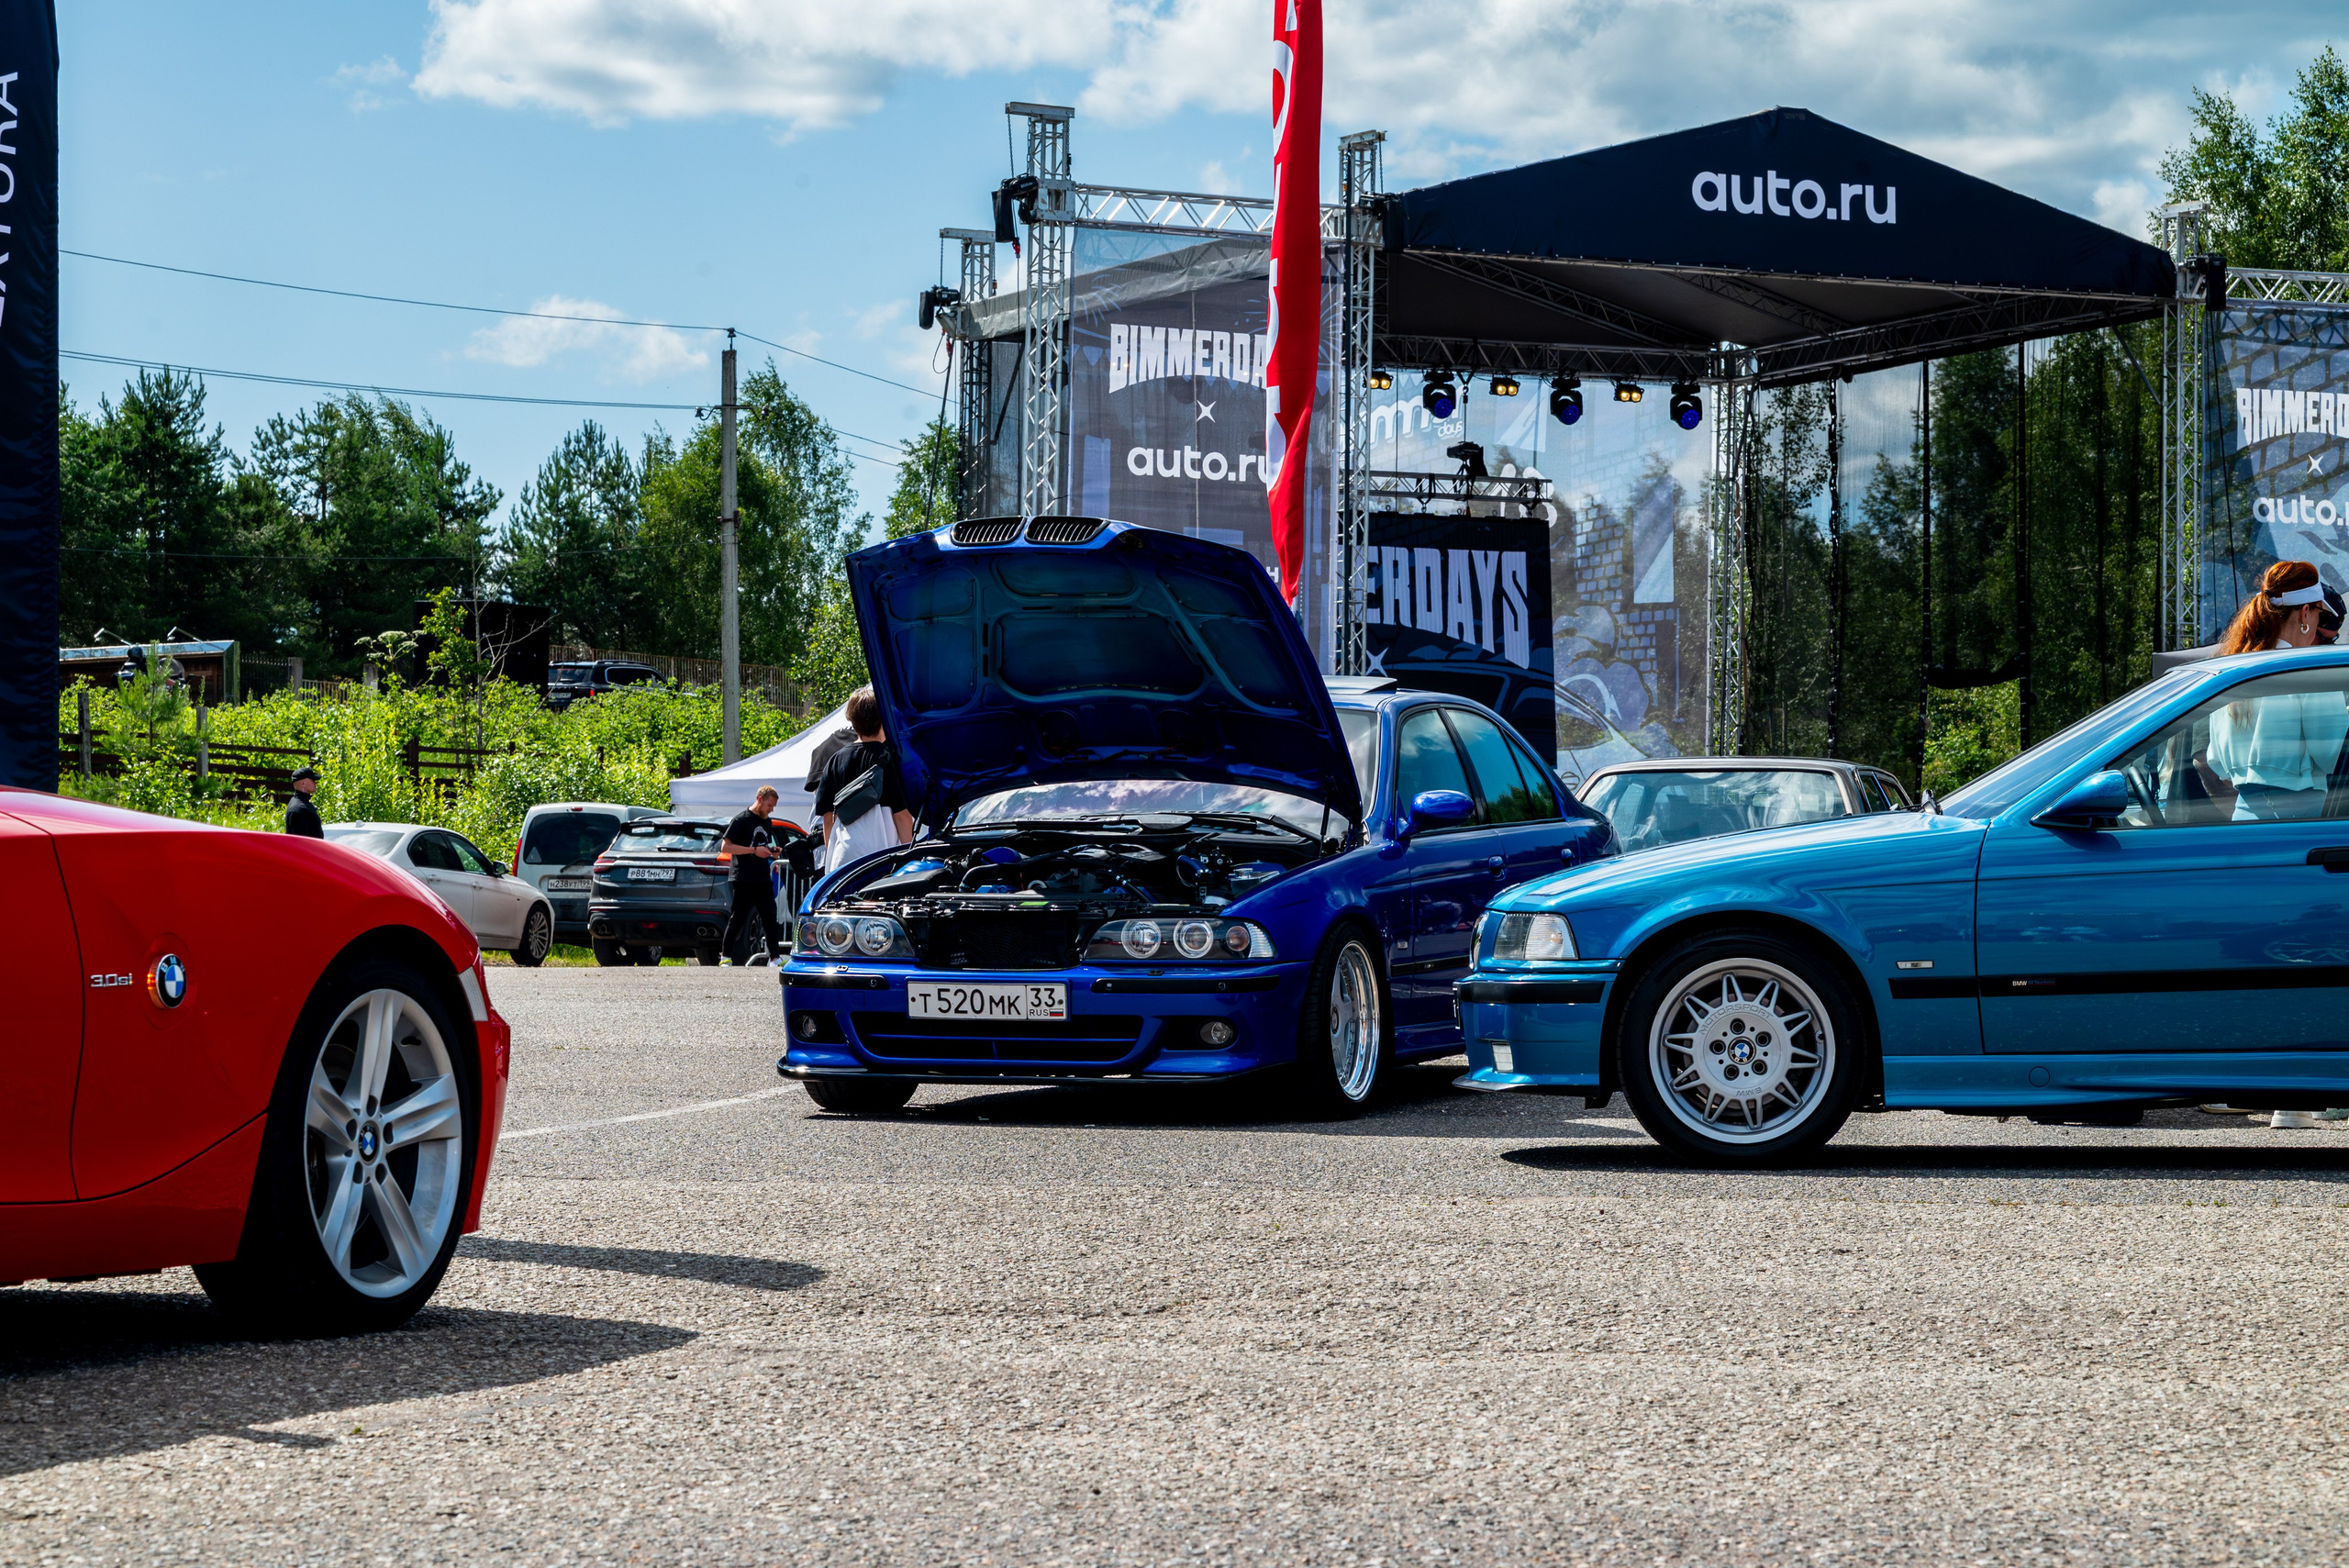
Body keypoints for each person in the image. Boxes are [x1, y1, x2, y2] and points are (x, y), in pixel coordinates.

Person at [812, 686, 912, 876]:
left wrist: (832, 859)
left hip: (843, 858)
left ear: (852, 721)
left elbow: (828, 819)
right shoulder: (891, 760)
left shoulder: (835, 760)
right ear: (884, 719)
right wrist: (911, 858)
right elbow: (902, 817)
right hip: (879, 858)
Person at [718, 786, 789, 966]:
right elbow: (725, 847)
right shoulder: (741, 820)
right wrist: (753, 851)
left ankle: (774, 957)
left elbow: (761, 844)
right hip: (743, 877)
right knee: (738, 917)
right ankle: (725, 956)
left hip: (762, 877)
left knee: (769, 917)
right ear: (759, 799)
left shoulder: (767, 821)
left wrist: (771, 851)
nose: (771, 809)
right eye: (769, 805)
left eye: (773, 806)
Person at [284, 765, 325, 839]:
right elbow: (301, 843)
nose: (316, 783)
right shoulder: (299, 809)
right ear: (303, 783)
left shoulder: (300, 803)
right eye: (313, 780)